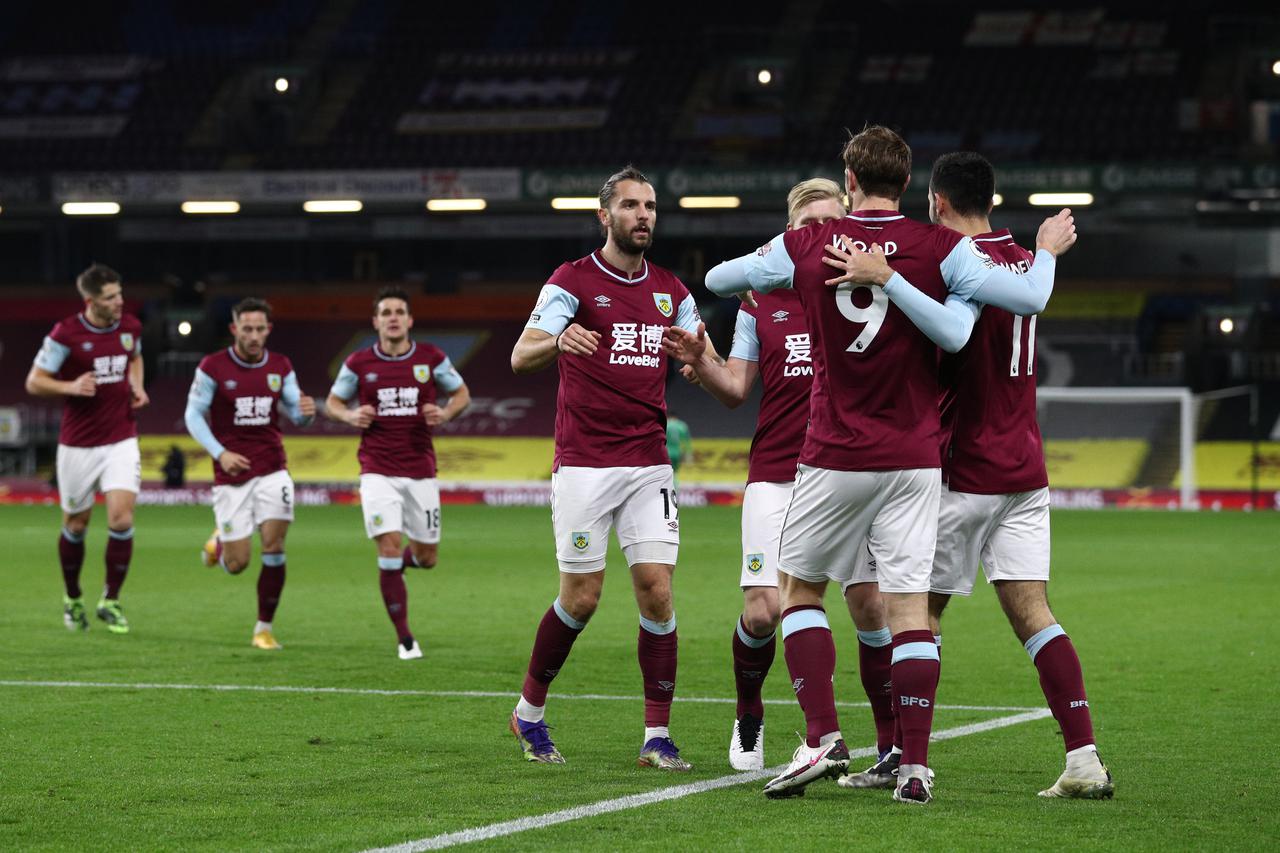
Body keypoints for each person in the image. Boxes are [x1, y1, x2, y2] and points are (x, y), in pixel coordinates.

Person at [704, 125, 1076, 803]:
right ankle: (913, 766)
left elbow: (719, 278)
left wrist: (782, 264)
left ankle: (821, 736)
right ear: (909, 187)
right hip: (915, 457)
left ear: (848, 180)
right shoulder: (944, 248)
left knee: (800, 591)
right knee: (907, 610)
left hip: (835, 451)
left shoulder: (811, 244)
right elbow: (1009, 307)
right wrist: (1042, 252)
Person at [844, 151, 1112, 799]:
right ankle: (1083, 760)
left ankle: (908, 762)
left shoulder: (945, 263)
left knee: (917, 612)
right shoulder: (1024, 261)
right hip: (1025, 467)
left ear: (935, 202)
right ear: (994, 199)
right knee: (1033, 611)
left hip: (963, 465)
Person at [663, 178, 897, 773]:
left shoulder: (870, 291)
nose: (820, 235)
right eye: (807, 226)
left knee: (871, 607)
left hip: (849, 470)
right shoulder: (758, 303)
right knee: (765, 610)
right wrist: (701, 363)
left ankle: (889, 744)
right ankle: (749, 711)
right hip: (778, 473)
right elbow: (736, 388)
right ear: (790, 236)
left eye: (830, 222)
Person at [507, 165, 702, 771]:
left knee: (658, 593)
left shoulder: (672, 288)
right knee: (583, 598)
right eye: (631, 206)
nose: (643, 215)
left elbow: (703, 356)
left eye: (650, 206)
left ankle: (656, 737)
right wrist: (558, 339)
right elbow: (520, 356)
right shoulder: (572, 281)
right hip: (585, 463)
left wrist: (699, 359)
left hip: (649, 464)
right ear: (605, 216)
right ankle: (529, 712)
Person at [325, 287, 471, 660]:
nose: (392, 317)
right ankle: (406, 639)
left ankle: (399, 568)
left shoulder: (430, 358)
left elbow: (461, 395)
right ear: (375, 321)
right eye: (385, 312)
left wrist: (446, 413)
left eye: (399, 312)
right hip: (377, 470)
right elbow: (333, 402)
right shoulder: (358, 363)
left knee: (427, 557)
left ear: (409, 320)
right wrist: (348, 415)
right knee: (389, 547)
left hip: (420, 470)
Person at [185, 298, 316, 650]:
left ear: (268, 330)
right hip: (232, 474)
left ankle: (264, 628)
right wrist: (221, 453)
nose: (254, 335)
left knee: (274, 546)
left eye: (260, 329)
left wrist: (306, 412)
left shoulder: (280, 365)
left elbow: (295, 409)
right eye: (247, 329)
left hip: (273, 468)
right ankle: (221, 543)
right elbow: (193, 416)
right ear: (234, 330)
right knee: (238, 563)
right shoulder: (213, 367)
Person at [25, 263, 148, 634]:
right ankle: (73, 597)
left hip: (121, 438)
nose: (120, 302)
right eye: (111, 298)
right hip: (78, 444)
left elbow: (135, 357)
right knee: (76, 524)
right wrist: (70, 387)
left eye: (120, 294)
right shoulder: (66, 334)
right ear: (91, 301)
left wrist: (137, 385)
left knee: (121, 519)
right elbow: (34, 382)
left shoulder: (130, 326)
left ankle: (110, 600)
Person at [664, 411, 692, 483]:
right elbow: (686, 442)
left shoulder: (665, 424)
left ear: (668, 416)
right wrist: (688, 454)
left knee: (666, 473)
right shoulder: (681, 425)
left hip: (666, 452)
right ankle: (676, 490)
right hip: (677, 453)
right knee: (675, 473)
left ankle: (667, 490)